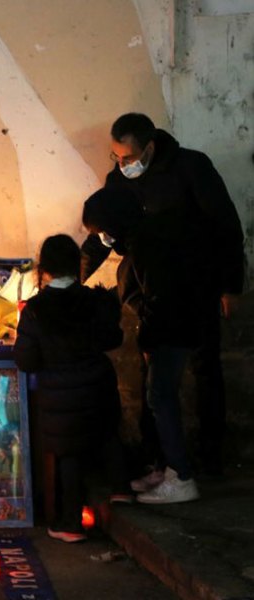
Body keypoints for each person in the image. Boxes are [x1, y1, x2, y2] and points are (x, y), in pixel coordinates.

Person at [80, 113, 245, 477]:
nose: (122, 166)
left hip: (196, 287)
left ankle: (209, 453)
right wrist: (68, 279)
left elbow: (226, 226)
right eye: (116, 159)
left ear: (150, 148)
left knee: (205, 367)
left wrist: (231, 285)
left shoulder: (191, 168)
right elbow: (103, 235)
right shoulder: (119, 181)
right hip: (146, 293)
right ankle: (158, 457)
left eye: (128, 158)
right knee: (151, 373)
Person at [83, 187, 206, 504]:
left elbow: (160, 298)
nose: (104, 239)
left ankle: (181, 477)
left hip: (171, 331)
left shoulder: (148, 244)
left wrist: (150, 339)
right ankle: (166, 468)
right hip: (171, 329)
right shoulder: (146, 237)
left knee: (161, 398)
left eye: (102, 231)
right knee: (158, 398)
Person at [13, 234, 129, 542]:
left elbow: (25, 359)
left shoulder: (35, 310)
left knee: (68, 453)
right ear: (78, 264)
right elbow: (113, 339)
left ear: (44, 268)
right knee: (108, 434)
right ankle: (122, 489)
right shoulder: (95, 300)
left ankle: (70, 523)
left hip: (60, 392)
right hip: (98, 383)